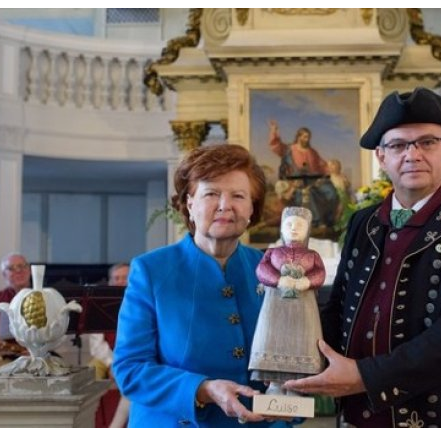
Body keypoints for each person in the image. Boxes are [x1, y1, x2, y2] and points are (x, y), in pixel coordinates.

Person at [284, 87, 441, 427]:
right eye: (398, 145)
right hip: (359, 417)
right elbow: (338, 310)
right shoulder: (361, 222)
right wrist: (292, 366)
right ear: (381, 157)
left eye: (427, 142)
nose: (413, 154)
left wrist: (364, 375)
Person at [112, 144, 291, 428]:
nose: (225, 205)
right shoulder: (151, 271)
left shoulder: (271, 268)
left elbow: (289, 358)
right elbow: (130, 370)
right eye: (211, 193)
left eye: (238, 196)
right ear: (189, 203)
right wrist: (204, 390)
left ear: (252, 209)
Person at [249, 206, 326, 395]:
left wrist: (307, 281)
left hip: (303, 310)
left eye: (300, 225)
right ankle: (275, 384)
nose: (293, 228)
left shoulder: (312, 256)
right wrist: (278, 280)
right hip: (275, 308)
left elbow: (320, 273)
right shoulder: (272, 253)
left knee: (302, 341)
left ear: (308, 229)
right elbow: (262, 270)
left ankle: (295, 387)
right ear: (281, 228)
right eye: (289, 224)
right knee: (273, 338)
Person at [268, 119, 339, 229]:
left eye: (308, 137)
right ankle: (316, 222)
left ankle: (330, 219)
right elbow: (277, 147)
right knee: (308, 194)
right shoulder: (289, 149)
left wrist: (329, 172)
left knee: (331, 191)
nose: (307, 139)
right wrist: (274, 131)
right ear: (299, 137)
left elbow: (322, 165)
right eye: (305, 136)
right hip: (295, 182)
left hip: (313, 180)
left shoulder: (312, 151)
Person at [90, 262, 131, 428]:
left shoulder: (141, 304)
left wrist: (120, 365)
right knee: (88, 376)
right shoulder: (99, 306)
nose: (120, 282)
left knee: (131, 378)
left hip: (131, 358)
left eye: (125, 278)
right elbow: (96, 344)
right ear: (110, 282)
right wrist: (111, 363)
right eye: (116, 278)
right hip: (105, 358)